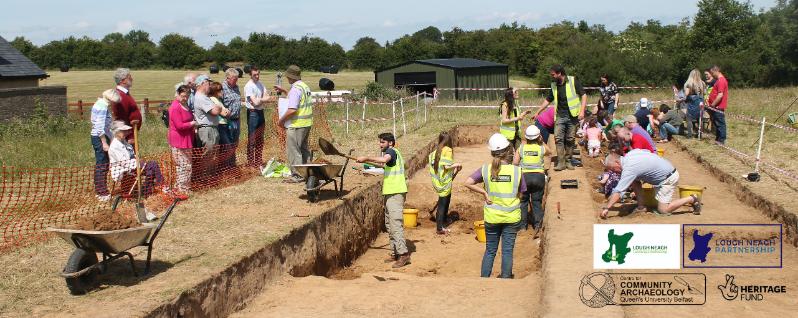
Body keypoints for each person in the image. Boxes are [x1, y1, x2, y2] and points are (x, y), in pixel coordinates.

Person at [465, 133, 525, 278]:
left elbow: (467, 182)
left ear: (492, 152)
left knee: (490, 250)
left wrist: (484, 193)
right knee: (507, 251)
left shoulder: (485, 169)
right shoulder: (517, 171)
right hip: (511, 218)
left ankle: (484, 279)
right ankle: (505, 278)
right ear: (508, 151)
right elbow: (522, 193)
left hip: (492, 218)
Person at [356, 133, 411, 268]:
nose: (380, 145)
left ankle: (403, 254)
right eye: (380, 142)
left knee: (395, 224)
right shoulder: (394, 154)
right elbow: (386, 165)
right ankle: (395, 253)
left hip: (395, 193)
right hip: (390, 193)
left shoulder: (391, 152)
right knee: (389, 224)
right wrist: (368, 164)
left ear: (390, 143)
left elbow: (385, 160)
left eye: (383, 142)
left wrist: (366, 157)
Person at [599, 150, 702, 219]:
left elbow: (619, 191)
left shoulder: (629, 169)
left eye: (613, 169)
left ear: (617, 162)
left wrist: (607, 208)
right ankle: (641, 207)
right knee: (634, 180)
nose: (615, 172)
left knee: (663, 210)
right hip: (666, 170)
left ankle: (692, 198)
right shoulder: (630, 154)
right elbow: (647, 151)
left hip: (668, 179)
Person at [532, 64, 587, 171]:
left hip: (573, 116)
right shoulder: (554, 85)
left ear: (559, 73)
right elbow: (548, 100)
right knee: (558, 138)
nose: (552, 76)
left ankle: (568, 161)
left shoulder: (572, 81)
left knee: (570, 139)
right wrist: (538, 112)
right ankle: (561, 162)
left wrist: (582, 111)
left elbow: (583, 95)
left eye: (553, 74)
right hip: (560, 116)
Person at [275, 65, 313, 182]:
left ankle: (297, 175)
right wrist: (285, 91)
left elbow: (292, 109)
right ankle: (309, 173)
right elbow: (297, 99)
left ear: (290, 77)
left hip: (296, 124)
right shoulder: (304, 86)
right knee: (304, 149)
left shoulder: (295, 89)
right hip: (307, 123)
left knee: (293, 150)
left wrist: (281, 120)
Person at [108, 121, 167, 197]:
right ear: (116, 132)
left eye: (125, 131)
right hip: (124, 169)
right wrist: (139, 163)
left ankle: (146, 191)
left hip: (133, 165)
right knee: (153, 164)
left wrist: (138, 160)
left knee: (151, 169)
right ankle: (161, 185)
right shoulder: (114, 146)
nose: (125, 133)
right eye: (123, 131)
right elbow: (124, 162)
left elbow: (132, 155)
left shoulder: (124, 142)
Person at [513, 126, 548, 236]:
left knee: (523, 202)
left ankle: (522, 226)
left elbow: (515, 163)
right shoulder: (541, 148)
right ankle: (538, 225)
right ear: (538, 137)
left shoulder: (521, 148)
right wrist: (542, 142)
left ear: (526, 138)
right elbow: (550, 152)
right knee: (536, 202)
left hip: (524, 178)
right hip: (539, 177)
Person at [428, 131, 462, 235]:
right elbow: (446, 166)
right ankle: (439, 228)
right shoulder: (447, 150)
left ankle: (444, 220)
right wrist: (457, 165)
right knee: (443, 204)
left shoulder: (434, 153)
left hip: (437, 182)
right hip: (444, 182)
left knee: (445, 200)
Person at [90, 89, 121, 201]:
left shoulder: (100, 103)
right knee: (102, 165)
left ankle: (100, 190)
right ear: (111, 99)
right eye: (115, 101)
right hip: (99, 138)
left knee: (103, 164)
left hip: (101, 137)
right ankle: (101, 192)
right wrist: (104, 143)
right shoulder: (103, 107)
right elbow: (99, 127)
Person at [193, 75, 226, 179]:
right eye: (208, 83)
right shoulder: (202, 97)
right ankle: (207, 178)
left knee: (212, 154)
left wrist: (217, 106)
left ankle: (210, 177)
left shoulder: (203, 97)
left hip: (209, 129)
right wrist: (219, 106)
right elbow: (215, 111)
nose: (210, 85)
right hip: (208, 130)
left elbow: (216, 109)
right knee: (209, 155)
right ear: (203, 84)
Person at [168, 85, 196, 196]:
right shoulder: (175, 107)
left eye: (187, 96)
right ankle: (183, 187)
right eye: (183, 96)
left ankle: (182, 186)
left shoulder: (185, 105)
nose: (185, 98)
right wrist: (192, 123)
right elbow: (179, 126)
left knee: (186, 164)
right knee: (184, 165)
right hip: (179, 139)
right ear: (178, 94)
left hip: (187, 138)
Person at [244, 67, 273, 168]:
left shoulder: (261, 84)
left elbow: (268, 97)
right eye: (255, 75)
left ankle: (258, 161)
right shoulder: (249, 86)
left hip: (261, 112)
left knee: (260, 138)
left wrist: (260, 99)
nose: (257, 76)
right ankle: (251, 163)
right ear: (250, 75)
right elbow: (255, 103)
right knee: (252, 139)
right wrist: (263, 99)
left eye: (258, 74)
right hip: (253, 113)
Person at [112, 68, 141, 144]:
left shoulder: (125, 94)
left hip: (131, 132)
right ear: (123, 80)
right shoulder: (120, 96)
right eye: (129, 77)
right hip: (127, 136)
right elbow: (121, 118)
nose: (132, 79)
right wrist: (130, 136)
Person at [220, 68, 242, 168]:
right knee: (227, 145)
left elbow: (237, 104)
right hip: (227, 121)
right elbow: (218, 104)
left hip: (237, 120)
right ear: (228, 78)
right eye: (234, 79)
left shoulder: (236, 87)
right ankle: (226, 167)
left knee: (234, 144)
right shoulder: (221, 88)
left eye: (237, 79)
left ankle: (232, 165)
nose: (236, 81)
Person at [708, 65, 728, 145]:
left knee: (720, 123)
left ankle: (721, 140)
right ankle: (718, 139)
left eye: (712, 73)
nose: (712, 75)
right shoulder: (719, 80)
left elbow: (720, 95)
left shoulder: (721, 81)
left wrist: (712, 105)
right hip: (716, 107)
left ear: (716, 71)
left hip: (718, 107)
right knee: (717, 123)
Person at [683, 69, 706, 138]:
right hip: (700, 102)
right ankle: (700, 134)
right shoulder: (702, 83)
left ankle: (690, 134)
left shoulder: (690, 84)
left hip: (692, 102)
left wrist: (684, 97)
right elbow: (704, 93)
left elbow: (686, 93)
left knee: (689, 118)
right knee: (700, 118)